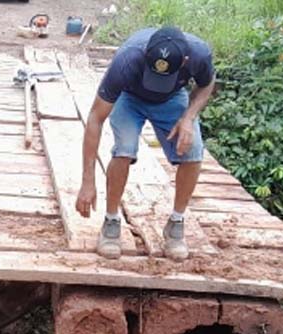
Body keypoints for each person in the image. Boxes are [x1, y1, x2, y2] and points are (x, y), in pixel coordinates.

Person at [76, 26, 216, 261]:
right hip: (129, 97)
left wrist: (188, 118)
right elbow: (95, 118)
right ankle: (111, 223)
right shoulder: (128, 59)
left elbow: (207, 84)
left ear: (185, 61)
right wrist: (87, 181)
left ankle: (176, 224)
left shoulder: (199, 54)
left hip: (172, 98)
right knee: (124, 150)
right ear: (146, 56)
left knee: (192, 151)